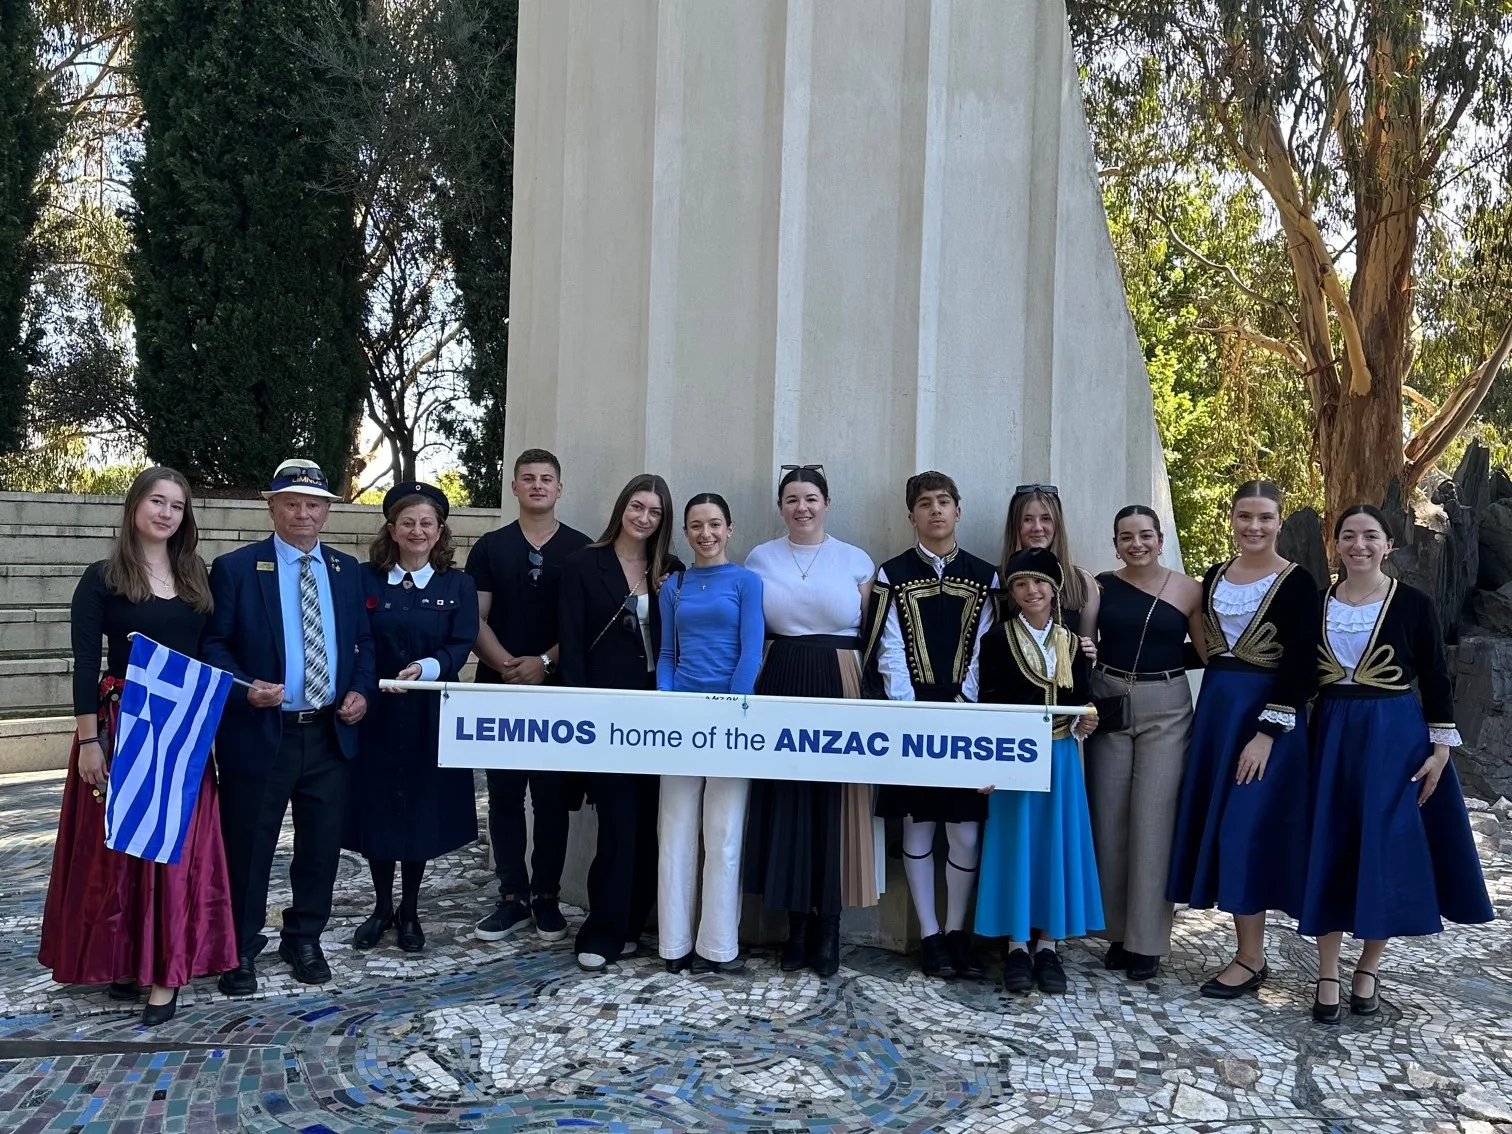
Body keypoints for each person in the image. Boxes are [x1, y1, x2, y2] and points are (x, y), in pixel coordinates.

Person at [38, 467, 237, 1026]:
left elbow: (211, 652)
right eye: (157, 501)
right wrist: (89, 741)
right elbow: (85, 664)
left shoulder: (196, 576)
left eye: (177, 505)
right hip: (124, 725)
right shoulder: (102, 577)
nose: (166, 513)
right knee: (121, 854)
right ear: (134, 506)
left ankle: (165, 975)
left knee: (172, 851)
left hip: (182, 732)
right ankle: (126, 962)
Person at [1302, 504, 1493, 1023]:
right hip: (1332, 732)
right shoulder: (1316, 603)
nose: (1358, 545)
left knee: (1382, 847)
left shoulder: (1412, 603)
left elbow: (1434, 675)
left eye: (1370, 536)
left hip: (1394, 736)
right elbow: (1298, 675)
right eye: (1348, 535)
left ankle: (1367, 967)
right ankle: (1327, 971)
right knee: (1331, 843)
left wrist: (1440, 750)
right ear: (1336, 543)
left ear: (1388, 545)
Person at [201, 458, 375, 995]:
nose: (304, 513)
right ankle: (240, 946)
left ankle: (304, 937)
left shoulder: (346, 571)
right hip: (261, 732)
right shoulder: (235, 568)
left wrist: (360, 691)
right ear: (272, 507)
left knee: (321, 846)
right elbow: (214, 646)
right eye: (292, 503)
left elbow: (363, 642)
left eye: (313, 504)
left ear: (327, 511)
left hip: (328, 733)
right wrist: (244, 687)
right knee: (249, 844)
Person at [1165, 480, 1319, 999]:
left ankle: (1252, 958)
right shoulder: (1214, 576)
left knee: (1244, 829)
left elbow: (1302, 663)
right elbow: (1206, 649)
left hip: (1265, 720)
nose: (1254, 526)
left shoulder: (1297, 582)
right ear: (1231, 518)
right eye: (1245, 516)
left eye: (1265, 517)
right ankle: (1249, 954)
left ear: (1279, 522)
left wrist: (1267, 733)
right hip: (1218, 713)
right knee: (1223, 826)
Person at [743, 465, 878, 978]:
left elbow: (871, 632)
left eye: (811, 498)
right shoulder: (760, 558)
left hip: (840, 679)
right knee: (787, 799)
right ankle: (796, 926)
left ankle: (829, 927)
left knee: (836, 801)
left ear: (826, 503)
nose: (802, 507)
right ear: (781, 507)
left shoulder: (855, 560)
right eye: (792, 499)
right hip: (779, 676)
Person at [864, 471, 998, 980]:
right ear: (911, 515)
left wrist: (965, 705)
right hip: (910, 717)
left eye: (944, 501)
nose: (936, 510)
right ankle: (930, 935)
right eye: (925, 503)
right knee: (917, 826)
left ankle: (958, 931)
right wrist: (910, 710)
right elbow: (888, 647)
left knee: (965, 833)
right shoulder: (892, 573)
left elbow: (987, 647)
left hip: (968, 717)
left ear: (958, 510)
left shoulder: (985, 576)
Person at [345, 482, 480, 954]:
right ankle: (381, 906)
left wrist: (427, 668)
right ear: (392, 529)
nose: (417, 531)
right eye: (408, 522)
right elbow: (355, 636)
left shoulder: (457, 585)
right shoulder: (363, 579)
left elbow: (461, 642)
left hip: (430, 710)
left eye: (426, 523)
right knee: (378, 806)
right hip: (376, 711)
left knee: (420, 807)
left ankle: (410, 910)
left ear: (440, 530)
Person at [558, 474, 684, 972]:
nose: (644, 518)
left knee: (652, 821)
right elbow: (571, 645)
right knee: (617, 821)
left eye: (654, 512)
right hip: (606, 712)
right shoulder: (582, 564)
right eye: (637, 506)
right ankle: (603, 929)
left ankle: (633, 924)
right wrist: (581, 711)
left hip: (661, 712)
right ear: (621, 508)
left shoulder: (671, 570)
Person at [466, 449, 591, 943]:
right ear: (514, 486)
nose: (538, 485)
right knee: (503, 795)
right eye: (528, 478)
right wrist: (506, 666)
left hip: (557, 691)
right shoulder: (490, 547)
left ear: (560, 489)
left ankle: (547, 897)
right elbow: (475, 617)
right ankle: (512, 896)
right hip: (500, 690)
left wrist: (544, 663)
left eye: (547, 478)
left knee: (552, 798)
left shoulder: (582, 550)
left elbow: (583, 626)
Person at [1084, 506, 1204, 981]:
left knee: (1154, 820)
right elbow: (1084, 645)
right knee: (1109, 816)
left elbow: (1207, 651)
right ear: (1115, 544)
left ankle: (1147, 941)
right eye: (1126, 536)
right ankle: (1116, 932)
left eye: (1146, 535)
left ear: (1160, 539)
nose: (1137, 544)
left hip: (1167, 704)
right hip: (1109, 699)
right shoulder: (1100, 586)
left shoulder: (1188, 589)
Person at [975, 547, 1102, 994]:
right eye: (1022, 584)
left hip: (1062, 754)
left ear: (1055, 589)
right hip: (1014, 757)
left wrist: (1087, 720)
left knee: (1055, 843)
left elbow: (1083, 699)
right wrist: (988, 763)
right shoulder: (997, 640)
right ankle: (1015, 944)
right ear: (1011, 593)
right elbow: (988, 705)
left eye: (1040, 583)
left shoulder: (1073, 644)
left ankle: (1048, 945)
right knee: (1016, 843)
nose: (1032, 591)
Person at [657, 493, 765, 974]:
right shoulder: (674, 586)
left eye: (715, 524)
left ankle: (717, 945)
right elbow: (667, 654)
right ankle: (674, 943)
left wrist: (732, 711)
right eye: (697, 526)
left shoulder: (747, 582)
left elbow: (751, 652)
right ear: (685, 532)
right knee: (674, 832)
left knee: (723, 836)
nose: (706, 534)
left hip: (730, 720)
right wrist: (669, 702)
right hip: (682, 719)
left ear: (730, 529)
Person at [1000, 484, 1100, 639]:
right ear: (1015, 526)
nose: (1037, 527)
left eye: (1046, 519)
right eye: (1027, 519)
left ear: (1057, 524)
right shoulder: (997, 579)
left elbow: (1089, 645)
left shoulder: (1082, 582)